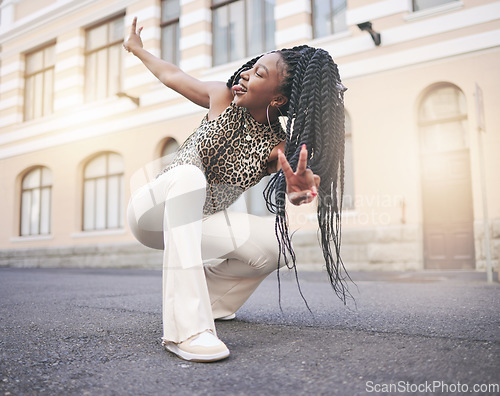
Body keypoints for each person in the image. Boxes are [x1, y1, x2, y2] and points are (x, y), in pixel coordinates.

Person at [124, 17, 348, 363]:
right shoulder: (220, 97)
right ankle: (187, 331)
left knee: (277, 247)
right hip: (151, 210)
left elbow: (293, 187)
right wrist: (138, 50)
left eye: (259, 74)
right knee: (189, 177)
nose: (245, 74)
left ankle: (211, 303)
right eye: (250, 68)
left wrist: (301, 192)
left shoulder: (277, 147)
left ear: (277, 98)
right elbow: (172, 75)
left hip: (195, 224)